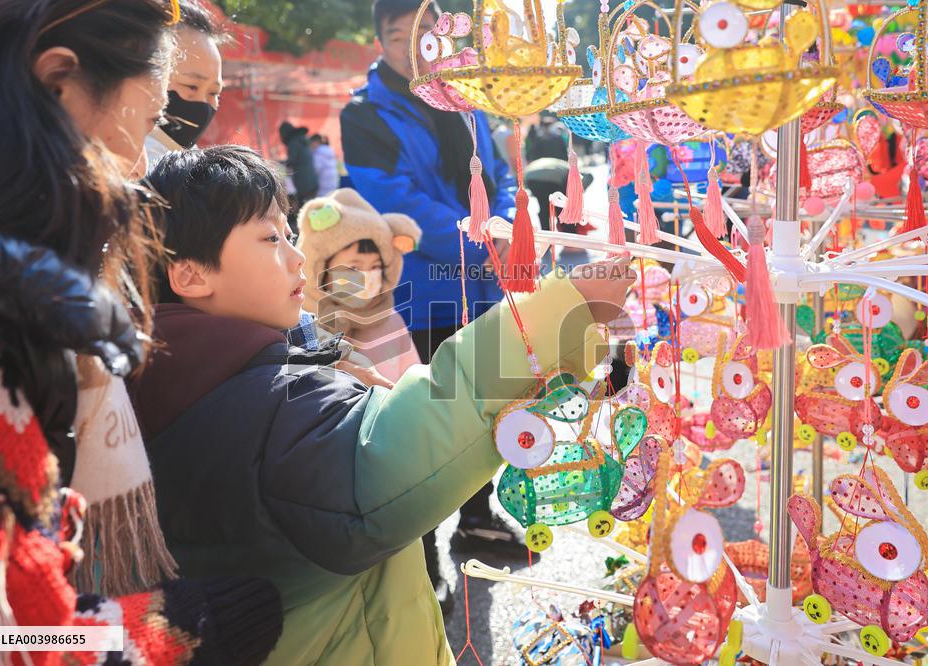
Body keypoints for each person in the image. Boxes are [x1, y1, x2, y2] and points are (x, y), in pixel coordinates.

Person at [136, 143, 633, 665]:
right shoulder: (255, 398)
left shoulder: (194, 375)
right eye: (269, 238)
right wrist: (563, 313)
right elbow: (397, 448)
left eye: (288, 233)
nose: (296, 255)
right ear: (190, 274)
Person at [0, 1, 281, 663]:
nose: (139, 165)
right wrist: (180, 630)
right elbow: (5, 638)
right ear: (59, 88)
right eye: (149, 116)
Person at [340, 0, 523, 611]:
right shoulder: (363, 115)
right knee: (418, 416)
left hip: (482, 284)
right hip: (420, 293)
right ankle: (420, 550)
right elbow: (396, 202)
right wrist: (483, 236)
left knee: (486, 401)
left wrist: (504, 228)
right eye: (400, 35)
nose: (414, 48)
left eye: (426, 35)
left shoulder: (467, 102)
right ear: (381, 40)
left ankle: (476, 512)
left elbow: (497, 176)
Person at [297, 188, 422, 381]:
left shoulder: (391, 321)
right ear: (320, 272)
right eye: (354, 268)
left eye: (375, 267)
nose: (367, 277)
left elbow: (414, 383)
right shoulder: (302, 329)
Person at [143, 0, 224, 168]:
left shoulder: (189, 160)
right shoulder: (137, 163)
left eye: (214, 93)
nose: (204, 103)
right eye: (192, 86)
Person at [279, 121, 319, 214]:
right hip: (312, 178)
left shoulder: (293, 143)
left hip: (302, 181)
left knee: (304, 209)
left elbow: (292, 161)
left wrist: (280, 163)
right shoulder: (303, 140)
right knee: (312, 206)